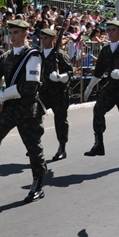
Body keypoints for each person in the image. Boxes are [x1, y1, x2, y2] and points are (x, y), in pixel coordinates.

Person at [0, 20, 47, 203]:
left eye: (16, 32)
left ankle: (38, 183)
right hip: (9, 108)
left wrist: (4, 94)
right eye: (10, 33)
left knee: (33, 148)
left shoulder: (33, 55)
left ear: (25, 34)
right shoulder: (6, 56)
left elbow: (30, 86)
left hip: (28, 109)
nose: (12, 36)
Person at [82, 20, 119, 170]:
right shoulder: (105, 50)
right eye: (109, 30)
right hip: (112, 88)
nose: (110, 33)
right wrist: (90, 86)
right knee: (98, 109)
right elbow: (99, 71)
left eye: (114, 30)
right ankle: (98, 144)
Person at [40, 28, 74, 161]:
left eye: (46, 38)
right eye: (42, 38)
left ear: (53, 39)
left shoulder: (60, 55)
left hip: (59, 94)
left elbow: (70, 73)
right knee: (34, 117)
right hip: (44, 93)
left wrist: (61, 77)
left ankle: (62, 148)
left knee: (60, 121)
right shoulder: (40, 55)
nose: (43, 41)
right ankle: (35, 144)